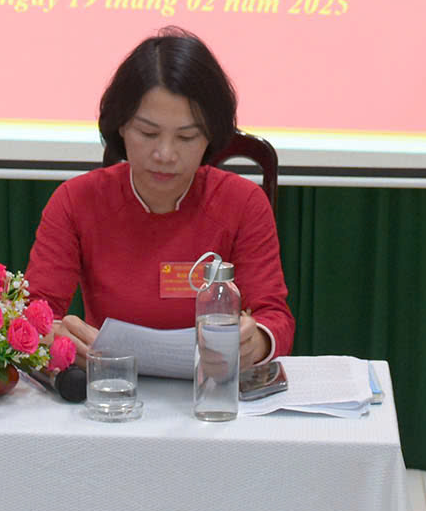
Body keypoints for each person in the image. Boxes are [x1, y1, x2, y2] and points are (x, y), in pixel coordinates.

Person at [25, 27, 291, 368]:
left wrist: (255, 342)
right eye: (148, 133)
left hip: (209, 386)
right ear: (121, 126)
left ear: (211, 137)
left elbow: (274, 317)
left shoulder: (243, 202)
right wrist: (54, 336)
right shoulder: (76, 201)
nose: (165, 154)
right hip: (113, 384)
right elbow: (37, 313)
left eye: (186, 137)